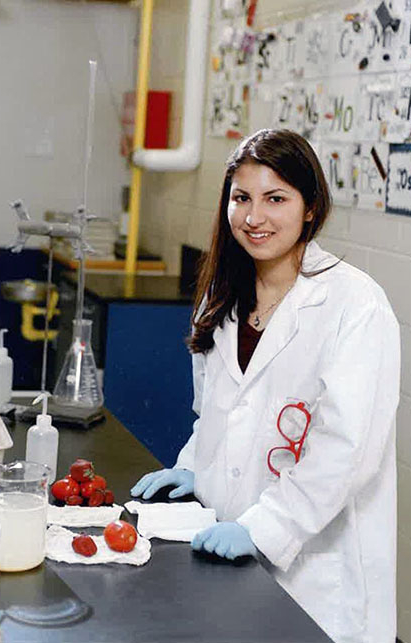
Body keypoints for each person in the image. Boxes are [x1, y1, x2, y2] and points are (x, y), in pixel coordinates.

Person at [131, 129, 400, 643]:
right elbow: (214, 411)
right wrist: (195, 468)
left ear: (310, 207)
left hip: (316, 573)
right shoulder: (225, 290)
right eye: (241, 198)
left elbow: (344, 452)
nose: (254, 218)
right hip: (225, 550)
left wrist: (264, 529)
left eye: (276, 198)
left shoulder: (356, 305)